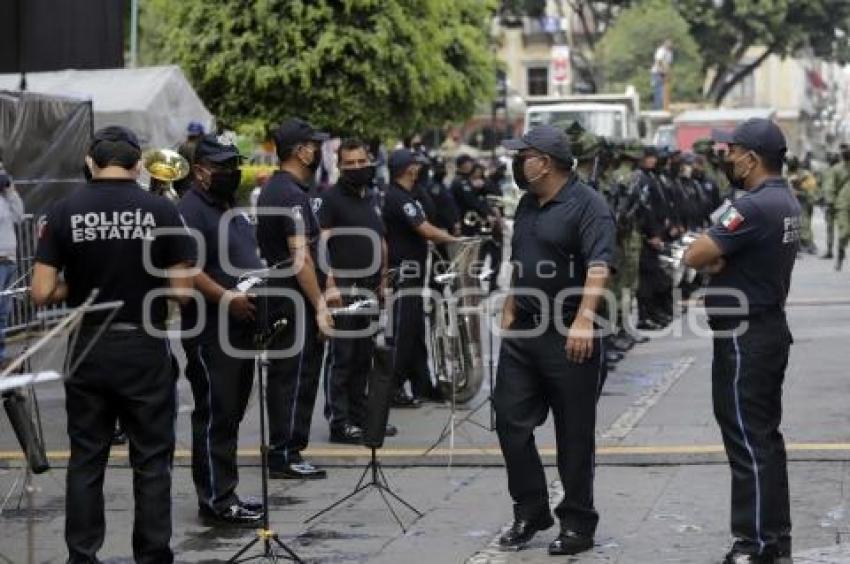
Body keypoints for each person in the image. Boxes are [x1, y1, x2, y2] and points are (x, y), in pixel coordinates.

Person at [31, 126, 195, 563]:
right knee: (152, 461)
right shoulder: (160, 210)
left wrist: (84, 285)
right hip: (143, 345)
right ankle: (152, 555)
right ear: (138, 164)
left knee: (86, 460)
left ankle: (82, 557)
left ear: (90, 162)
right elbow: (181, 291)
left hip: (89, 346)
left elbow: (41, 292)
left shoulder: (64, 210)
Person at [496, 126, 615, 556]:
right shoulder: (528, 203)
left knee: (574, 433)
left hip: (569, 331)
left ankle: (578, 523)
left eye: (521, 154)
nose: (515, 162)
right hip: (524, 331)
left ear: (543, 161)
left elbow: (599, 266)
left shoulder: (589, 206)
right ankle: (531, 509)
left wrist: (584, 320)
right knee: (509, 422)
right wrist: (511, 302)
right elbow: (522, 258)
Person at [684, 118, 799, 564]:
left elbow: (696, 254)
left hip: (744, 335)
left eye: (731, 152)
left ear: (751, 158)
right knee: (765, 439)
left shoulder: (750, 206)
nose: (727, 159)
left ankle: (753, 544)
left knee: (747, 440)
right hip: (767, 327)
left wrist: (713, 261)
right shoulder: (784, 199)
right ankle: (775, 539)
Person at [177, 134, 264, 526]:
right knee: (216, 412)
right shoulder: (192, 209)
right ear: (200, 171)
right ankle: (215, 499)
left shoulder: (227, 205)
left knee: (229, 413)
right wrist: (227, 297)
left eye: (234, 164)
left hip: (238, 326)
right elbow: (189, 269)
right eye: (224, 166)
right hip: (212, 328)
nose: (233, 172)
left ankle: (224, 491)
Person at [256, 118, 334, 479]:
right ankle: (284, 452)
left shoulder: (287, 191)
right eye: (314, 145)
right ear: (301, 150)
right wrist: (319, 306)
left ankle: (290, 449)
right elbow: (300, 258)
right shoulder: (287, 194)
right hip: (291, 297)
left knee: (299, 373)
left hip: (292, 295)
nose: (318, 151)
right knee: (293, 375)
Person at [317, 138, 394, 444]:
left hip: (369, 289)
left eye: (362, 162)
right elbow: (320, 243)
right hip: (344, 291)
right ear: (339, 166)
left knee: (364, 358)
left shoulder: (371, 196)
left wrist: (383, 281)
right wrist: (330, 285)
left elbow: (381, 239)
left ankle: (362, 419)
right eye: (350, 164)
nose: (358, 168)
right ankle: (340, 422)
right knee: (342, 359)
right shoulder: (329, 199)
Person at [383, 148, 459, 407]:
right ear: (409, 169)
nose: (420, 169)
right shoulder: (398, 197)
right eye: (416, 165)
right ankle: (392, 387)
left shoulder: (407, 194)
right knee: (403, 333)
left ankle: (422, 384)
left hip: (413, 273)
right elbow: (424, 229)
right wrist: (455, 240)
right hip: (404, 275)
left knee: (415, 332)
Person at [0, 172, 23, 366]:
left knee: (3, 313)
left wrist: (11, 191)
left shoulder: (5, 199)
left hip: (9, 261)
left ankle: (0, 356)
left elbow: (19, 216)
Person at [786, 155, 817, 255]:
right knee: (793, 224)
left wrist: (799, 188)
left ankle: (810, 245)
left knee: (805, 223)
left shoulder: (805, 174)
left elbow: (811, 189)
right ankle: (798, 245)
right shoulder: (787, 173)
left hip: (804, 201)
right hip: (792, 202)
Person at [826, 144, 850, 270]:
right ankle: (840, 253)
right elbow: (830, 186)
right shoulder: (836, 169)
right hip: (842, 206)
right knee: (844, 232)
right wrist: (830, 202)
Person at [651, 39, 673, 110]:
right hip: (657, 73)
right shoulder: (661, 51)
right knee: (658, 92)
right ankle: (657, 110)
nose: (669, 45)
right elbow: (658, 62)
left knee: (664, 92)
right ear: (665, 43)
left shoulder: (670, 53)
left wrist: (668, 74)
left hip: (665, 74)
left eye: (670, 44)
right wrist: (661, 71)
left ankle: (663, 108)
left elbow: (668, 64)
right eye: (668, 43)